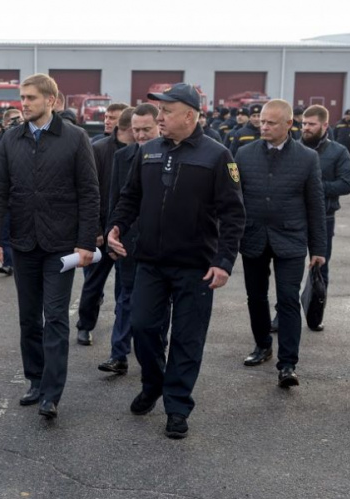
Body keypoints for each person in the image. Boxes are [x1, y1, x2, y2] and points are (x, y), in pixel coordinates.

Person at [108, 83, 245, 438]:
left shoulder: (217, 156)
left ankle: (177, 406)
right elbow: (130, 196)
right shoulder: (149, 151)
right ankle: (153, 383)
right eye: (160, 111)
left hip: (195, 267)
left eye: (167, 112)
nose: (160, 117)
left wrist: (224, 261)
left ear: (190, 115)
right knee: (143, 328)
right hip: (150, 262)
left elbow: (234, 214)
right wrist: (117, 226)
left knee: (187, 339)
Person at [0, 73, 100, 420]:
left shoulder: (76, 138)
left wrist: (84, 243)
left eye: (31, 98)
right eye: (23, 97)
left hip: (60, 246)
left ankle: (51, 392)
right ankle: (34, 380)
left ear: (51, 100)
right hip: (23, 243)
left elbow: (89, 194)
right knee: (27, 319)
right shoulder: (10, 139)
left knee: (55, 318)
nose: (24, 103)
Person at [235, 99, 326, 388]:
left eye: (271, 122)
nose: (264, 126)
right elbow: (234, 200)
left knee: (288, 300)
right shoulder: (244, 154)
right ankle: (263, 346)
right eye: (262, 121)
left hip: (291, 239)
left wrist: (318, 249)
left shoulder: (307, 158)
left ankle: (288, 364)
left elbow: (315, 205)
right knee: (256, 297)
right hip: (253, 238)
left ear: (289, 124)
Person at [99, 103, 166, 375]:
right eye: (135, 130)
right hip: (127, 240)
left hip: (161, 244)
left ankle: (156, 356)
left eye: (146, 129)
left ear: (159, 126)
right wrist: (110, 232)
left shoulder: (170, 155)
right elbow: (116, 198)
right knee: (125, 298)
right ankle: (119, 355)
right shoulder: (123, 156)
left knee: (158, 304)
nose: (140, 135)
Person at [74, 107, 134, 346]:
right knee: (93, 283)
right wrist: (95, 230)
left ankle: (122, 335)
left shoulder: (144, 151)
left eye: (113, 118)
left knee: (126, 287)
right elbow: (89, 192)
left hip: (128, 233)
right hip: (101, 231)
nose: (108, 122)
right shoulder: (99, 150)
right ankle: (85, 325)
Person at [300, 105, 350, 328]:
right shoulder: (294, 149)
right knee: (290, 269)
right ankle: (283, 314)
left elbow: (346, 184)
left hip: (324, 217)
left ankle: (315, 315)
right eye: (303, 124)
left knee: (320, 266)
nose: (306, 128)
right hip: (294, 216)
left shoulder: (338, 152)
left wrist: (316, 187)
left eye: (311, 124)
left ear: (324, 125)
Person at [0, 107, 23, 276]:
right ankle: (9, 263)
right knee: (5, 232)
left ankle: (16, 262)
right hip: (6, 196)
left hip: (23, 197)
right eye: (15, 120)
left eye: (20, 120)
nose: (18, 124)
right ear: (6, 123)